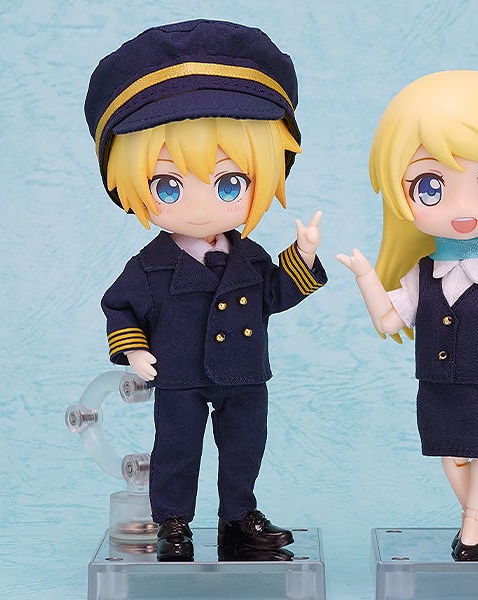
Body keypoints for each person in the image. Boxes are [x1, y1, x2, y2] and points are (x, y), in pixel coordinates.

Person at [85, 19, 326, 562]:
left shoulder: (250, 257)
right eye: (168, 185)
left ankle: (239, 518)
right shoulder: (150, 267)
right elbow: (119, 305)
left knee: (244, 447)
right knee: (176, 449)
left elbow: (274, 294)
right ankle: (173, 521)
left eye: (229, 182)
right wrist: (135, 350)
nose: (200, 205)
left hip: (244, 372)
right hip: (180, 374)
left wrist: (304, 257)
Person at [337, 70, 478, 561]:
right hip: (438, 385)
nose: (463, 207)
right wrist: (365, 278)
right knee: (450, 455)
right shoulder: (422, 273)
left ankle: (472, 523)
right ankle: (476, 514)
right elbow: (389, 321)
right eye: (430, 186)